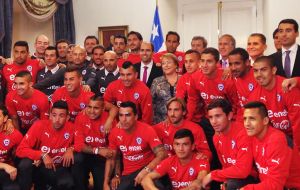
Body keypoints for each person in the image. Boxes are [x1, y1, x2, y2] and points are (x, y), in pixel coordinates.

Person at [103, 101, 167, 190]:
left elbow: (162, 154)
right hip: (129, 173)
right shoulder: (115, 133)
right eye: (121, 115)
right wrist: (109, 180)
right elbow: (113, 157)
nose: (124, 119)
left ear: (136, 117)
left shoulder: (147, 130)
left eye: (128, 115)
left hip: (148, 168)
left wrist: (146, 170)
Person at [16, 100, 75, 190]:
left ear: (67, 117)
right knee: (25, 164)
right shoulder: (39, 125)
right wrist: (42, 154)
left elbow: (82, 144)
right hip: (39, 167)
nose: (57, 120)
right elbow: (20, 150)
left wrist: (71, 149)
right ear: (50, 115)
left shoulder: (72, 128)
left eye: (61, 116)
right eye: (54, 115)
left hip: (58, 169)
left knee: (68, 183)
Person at [242, 101, 300, 189]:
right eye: (245, 119)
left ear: (265, 121)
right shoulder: (253, 136)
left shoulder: (277, 140)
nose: (247, 124)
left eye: (252, 119)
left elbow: (275, 185)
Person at [248, 56, 300, 151]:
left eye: (263, 70)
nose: (259, 74)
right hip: (277, 138)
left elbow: (298, 123)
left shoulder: (287, 88)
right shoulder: (254, 95)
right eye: (255, 71)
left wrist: (298, 150)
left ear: (273, 70)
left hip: (293, 136)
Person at [202, 99, 256, 190]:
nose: (214, 121)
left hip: (252, 178)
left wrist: (212, 175)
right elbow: (226, 166)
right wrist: (224, 181)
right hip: (233, 178)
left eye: (218, 116)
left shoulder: (243, 133)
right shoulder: (216, 138)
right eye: (210, 117)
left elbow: (243, 171)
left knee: (231, 185)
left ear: (230, 115)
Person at [142, 129, 210, 190]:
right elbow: (145, 180)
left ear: (192, 146)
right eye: (177, 144)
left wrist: (197, 184)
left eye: (185, 144)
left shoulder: (201, 160)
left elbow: (198, 183)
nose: (180, 149)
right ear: (173, 146)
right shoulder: (169, 161)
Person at [73, 96, 115, 190]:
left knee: (101, 186)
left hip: (102, 158)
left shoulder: (109, 120)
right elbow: (78, 146)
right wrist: (98, 150)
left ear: (103, 108)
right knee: (77, 159)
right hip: (87, 154)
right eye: (89, 107)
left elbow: (113, 149)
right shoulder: (80, 117)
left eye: (96, 108)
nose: (91, 111)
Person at [228, 48, 257, 122]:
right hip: (240, 119)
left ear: (247, 62)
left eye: (237, 63)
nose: (233, 68)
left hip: (256, 120)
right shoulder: (231, 77)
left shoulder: (258, 76)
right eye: (230, 64)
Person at [151, 53, 181, 124]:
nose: (166, 65)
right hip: (160, 121)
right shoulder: (156, 81)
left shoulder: (183, 80)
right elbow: (151, 102)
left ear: (176, 65)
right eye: (163, 63)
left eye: (169, 62)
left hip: (180, 121)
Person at [0, 105, 22, 190]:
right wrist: (5, 166)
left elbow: (23, 151)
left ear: (5, 118)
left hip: (7, 171)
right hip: (6, 167)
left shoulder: (14, 134)